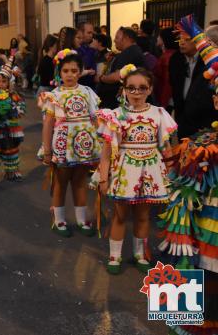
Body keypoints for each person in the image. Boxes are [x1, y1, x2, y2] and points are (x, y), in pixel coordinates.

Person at [93, 66, 176, 274]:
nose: (136, 93)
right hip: (124, 172)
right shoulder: (114, 115)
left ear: (150, 89)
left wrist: (172, 176)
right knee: (119, 215)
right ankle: (115, 255)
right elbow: (105, 153)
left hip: (151, 172)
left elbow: (167, 150)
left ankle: (140, 253)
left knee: (143, 216)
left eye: (142, 88)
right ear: (124, 89)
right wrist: (103, 178)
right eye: (131, 88)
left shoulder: (159, 114)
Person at [157, 59, 218, 335]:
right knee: (200, 268)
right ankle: (184, 317)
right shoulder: (202, 146)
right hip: (205, 229)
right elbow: (183, 193)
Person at [38, 50, 101, 238]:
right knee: (60, 183)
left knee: (80, 182)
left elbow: (96, 119)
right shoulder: (54, 95)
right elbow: (48, 124)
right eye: (66, 71)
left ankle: (81, 219)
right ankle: (59, 220)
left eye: (74, 70)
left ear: (80, 72)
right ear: (60, 73)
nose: (70, 75)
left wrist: (101, 143)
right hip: (62, 146)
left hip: (84, 146)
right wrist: (47, 150)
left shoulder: (88, 92)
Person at [170, 29, 217, 139]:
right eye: (180, 40)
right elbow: (174, 87)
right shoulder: (176, 59)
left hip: (204, 123)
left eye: (187, 40)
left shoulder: (208, 63)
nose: (181, 43)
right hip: (183, 118)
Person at [98, 27, 145, 109]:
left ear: (127, 39)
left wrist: (102, 78)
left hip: (120, 104)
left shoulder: (129, 52)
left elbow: (117, 76)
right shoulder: (133, 51)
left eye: (117, 37)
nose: (114, 40)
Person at [153, 27, 177, 110]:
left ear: (164, 39)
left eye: (159, 36)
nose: (157, 38)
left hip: (166, 98)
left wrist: (163, 103)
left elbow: (167, 83)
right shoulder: (169, 54)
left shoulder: (168, 57)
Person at [76, 23, 97, 88]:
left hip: (90, 85)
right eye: (89, 33)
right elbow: (84, 65)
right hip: (81, 86)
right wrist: (92, 50)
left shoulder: (88, 46)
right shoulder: (76, 48)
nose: (91, 35)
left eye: (92, 33)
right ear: (81, 33)